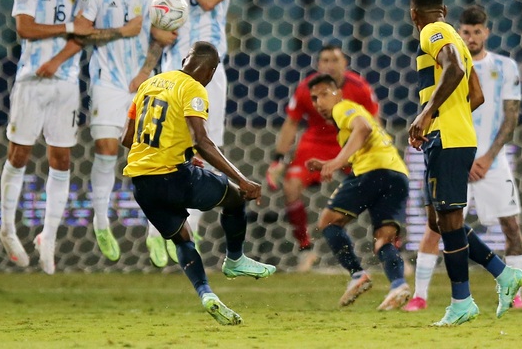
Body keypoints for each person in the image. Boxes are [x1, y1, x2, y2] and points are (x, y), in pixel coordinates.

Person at [122, 41, 276, 326]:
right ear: (212, 71)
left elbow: (127, 139)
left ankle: (206, 294)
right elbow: (203, 141)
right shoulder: (194, 88)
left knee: (182, 239)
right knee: (234, 198)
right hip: (175, 177)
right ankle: (235, 259)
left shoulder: (149, 83)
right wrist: (242, 180)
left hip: (142, 183)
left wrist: (181, 151)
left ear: (184, 59)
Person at [407, 0, 522, 326]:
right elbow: (476, 95)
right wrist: (448, 116)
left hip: (448, 138)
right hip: (454, 136)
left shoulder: (432, 31)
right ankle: (502, 273)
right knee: (439, 221)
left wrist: (428, 113)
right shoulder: (455, 37)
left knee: (449, 221)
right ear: (444, 9)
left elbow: (455, 70)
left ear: (414, 14)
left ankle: (462, 302)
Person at [74, 0, 176, 263]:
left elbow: (161, 38)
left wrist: (147, 70)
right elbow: (79, 32)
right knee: (106, 148)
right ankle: (101, 222)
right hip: (107, 80)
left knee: (151, 158)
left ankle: (157, 233)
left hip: (143, 82)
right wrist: (121, 31)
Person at [0, 0, 90, 274]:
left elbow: (86, 35)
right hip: (30, 81)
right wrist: (67, 30)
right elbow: (25, 28)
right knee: (19, 154)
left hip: (65, 84)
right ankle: (7, 227)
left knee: (62, 159)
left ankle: (47, 236)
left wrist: (58, 59)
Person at [145, 0, 237, 266]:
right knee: (167, 147)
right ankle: (157, 230)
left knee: (205, 146)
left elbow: (209, 1)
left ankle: (190, 228)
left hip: (210, 74)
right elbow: (151, 23)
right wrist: (157, 33)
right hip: (172, 73)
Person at [266, 44, 379, 271]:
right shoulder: (306, 88)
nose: (329, 65)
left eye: (334, 60)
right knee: (291, 186)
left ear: (345, 63)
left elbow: (374, 122)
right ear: (318, 65)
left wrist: (376, 153)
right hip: (316, 143)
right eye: (325, 60)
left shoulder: (359, 87)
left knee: (377, 188)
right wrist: (278, 158)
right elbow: (291, 123)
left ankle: (392, 246)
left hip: (349, 142)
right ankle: (305, 249)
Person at [305, 74, 411, 310]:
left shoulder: (343, 108)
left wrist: (335, 161)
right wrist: (329, 162)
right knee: (384, 239)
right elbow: (365, 136)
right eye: (314, 98)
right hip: (398, 174)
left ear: (338, 94)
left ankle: (357, 274)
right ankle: (398, 285)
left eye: (324, 94)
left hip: (373, 172)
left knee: (329, 222)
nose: (319, 102)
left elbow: (362, 128)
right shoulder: (352, 114)